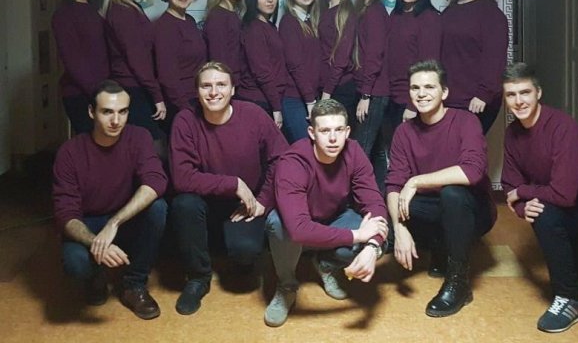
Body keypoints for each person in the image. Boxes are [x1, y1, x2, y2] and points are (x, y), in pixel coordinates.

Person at [501, 62, 578, 333]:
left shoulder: (563, 128)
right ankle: (574, 284)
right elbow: (510, 185)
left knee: (546, 213)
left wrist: (524, 193)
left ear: (538, 93)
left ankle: (570, 300)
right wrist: (522, 206)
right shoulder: (512, 134)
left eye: (525, 92)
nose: (518, 101)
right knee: (577, 274)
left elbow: (562, 194)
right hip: (574, 202)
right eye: (511, 95)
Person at [169, 61, 288, 316]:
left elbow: (282, 157)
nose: (214, 92)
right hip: (204, 203)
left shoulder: (253, 114)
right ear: (197, 91)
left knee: (245, 253)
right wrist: (232, 183)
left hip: (245, 205)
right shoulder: (185, 120)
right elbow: (181, 177)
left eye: (221, 85)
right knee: (183, 203)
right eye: (206, 86)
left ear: (233, 89)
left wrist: (263, 200)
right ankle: (198, 278)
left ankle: (235, 255)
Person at [264, 98, 388, 327]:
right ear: (312, 133)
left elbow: (375, 203)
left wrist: (372, 246)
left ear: (347, 131)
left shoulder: (354, 152)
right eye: (324, 131)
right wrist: (357, 235)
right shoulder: (293, 161)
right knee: (277, 223)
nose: (333, 138)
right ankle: (286, 285)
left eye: (339, 130)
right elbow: (299, 229)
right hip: (295, 228)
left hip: (333, 219)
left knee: (377, 235)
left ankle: (325, 265)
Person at [386, 60, 496, 317]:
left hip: (473, 210)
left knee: (451, 194)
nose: (421, 94)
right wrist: (399, 229)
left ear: (444, 92)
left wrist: (415, 181)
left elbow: (472, 171)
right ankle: (440, 246)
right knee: (399, 201)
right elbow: (393, 183)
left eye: (429, 87)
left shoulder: (466, 121)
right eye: (415, 88)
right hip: (433, 208)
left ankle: (459, 283)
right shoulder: (404, 131)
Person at [52, 80, 168, 319]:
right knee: (76, 264)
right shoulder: (70, 152)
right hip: (87, 223)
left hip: (122, 218)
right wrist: (96, 242)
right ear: (91, 112)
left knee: (158, 208)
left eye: (122, 112)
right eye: (107, 112)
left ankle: (134, 284)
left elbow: (156, 181)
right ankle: (95, 276)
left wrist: (113, 223)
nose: (116, 120)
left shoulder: (139, 137)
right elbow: (65, 214)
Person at [440, 0, 508, 134]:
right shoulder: (449, 12)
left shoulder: (491, 15)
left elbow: (495, 59)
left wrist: (483, 94)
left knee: (468, 148)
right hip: (449, 97)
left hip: (476, 100)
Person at [105, 0, 166, 145]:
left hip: (136, 87)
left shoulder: (131, 7)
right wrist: (157, 96)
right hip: (132, 89)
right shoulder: (123, 11)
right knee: (150, 146)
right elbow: (137, 59)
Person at [51, 0, 109, 134]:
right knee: (90, 146)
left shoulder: (95, 13)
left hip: (102, 93)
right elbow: (72, 61)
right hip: (80, 95)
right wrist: (98, 93)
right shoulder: (64, 14)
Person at [387, 0, 441, 129]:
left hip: (411, 99)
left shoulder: (429, 18)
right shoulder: (395, 14)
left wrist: (413, 104)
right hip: (391, 97)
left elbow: (429, 66)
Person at [352, 0, 389, 192]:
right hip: (371, 90)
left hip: (374, 92)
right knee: (376, 150)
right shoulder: (366, 10)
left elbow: (375, 57)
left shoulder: (375, 12)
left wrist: (366, 95)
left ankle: (361, 202)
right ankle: (380, 197)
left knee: (361, 150)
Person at [154, 0, 206, 131]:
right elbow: (167, 76)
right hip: (181, 104)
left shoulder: (189, 20)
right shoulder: (164, 27)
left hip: (199, 99)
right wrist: (186, 109)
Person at [236, 0, 289, 129]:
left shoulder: (269, 26)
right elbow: (262, 72)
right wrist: (276, 108)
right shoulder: (254, 29)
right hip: (258, 100)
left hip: (269, 99)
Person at [279, 0, 321, 143]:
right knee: (305, 146)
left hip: (310, 96)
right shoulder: (289, 22)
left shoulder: (311, 21)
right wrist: (310, 100)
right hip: (294, 98)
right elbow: (295, 64)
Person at [317, 0, 358, 121]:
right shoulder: (323, 12)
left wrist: (327, 93)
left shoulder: (346, 13)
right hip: (326, 86)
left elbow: (342, 57)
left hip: (340, 88)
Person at [202, 0, 247, 84]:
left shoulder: (233, 14)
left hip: (237, 82)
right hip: (227, 84)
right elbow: (218, 61)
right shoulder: (217, 17)